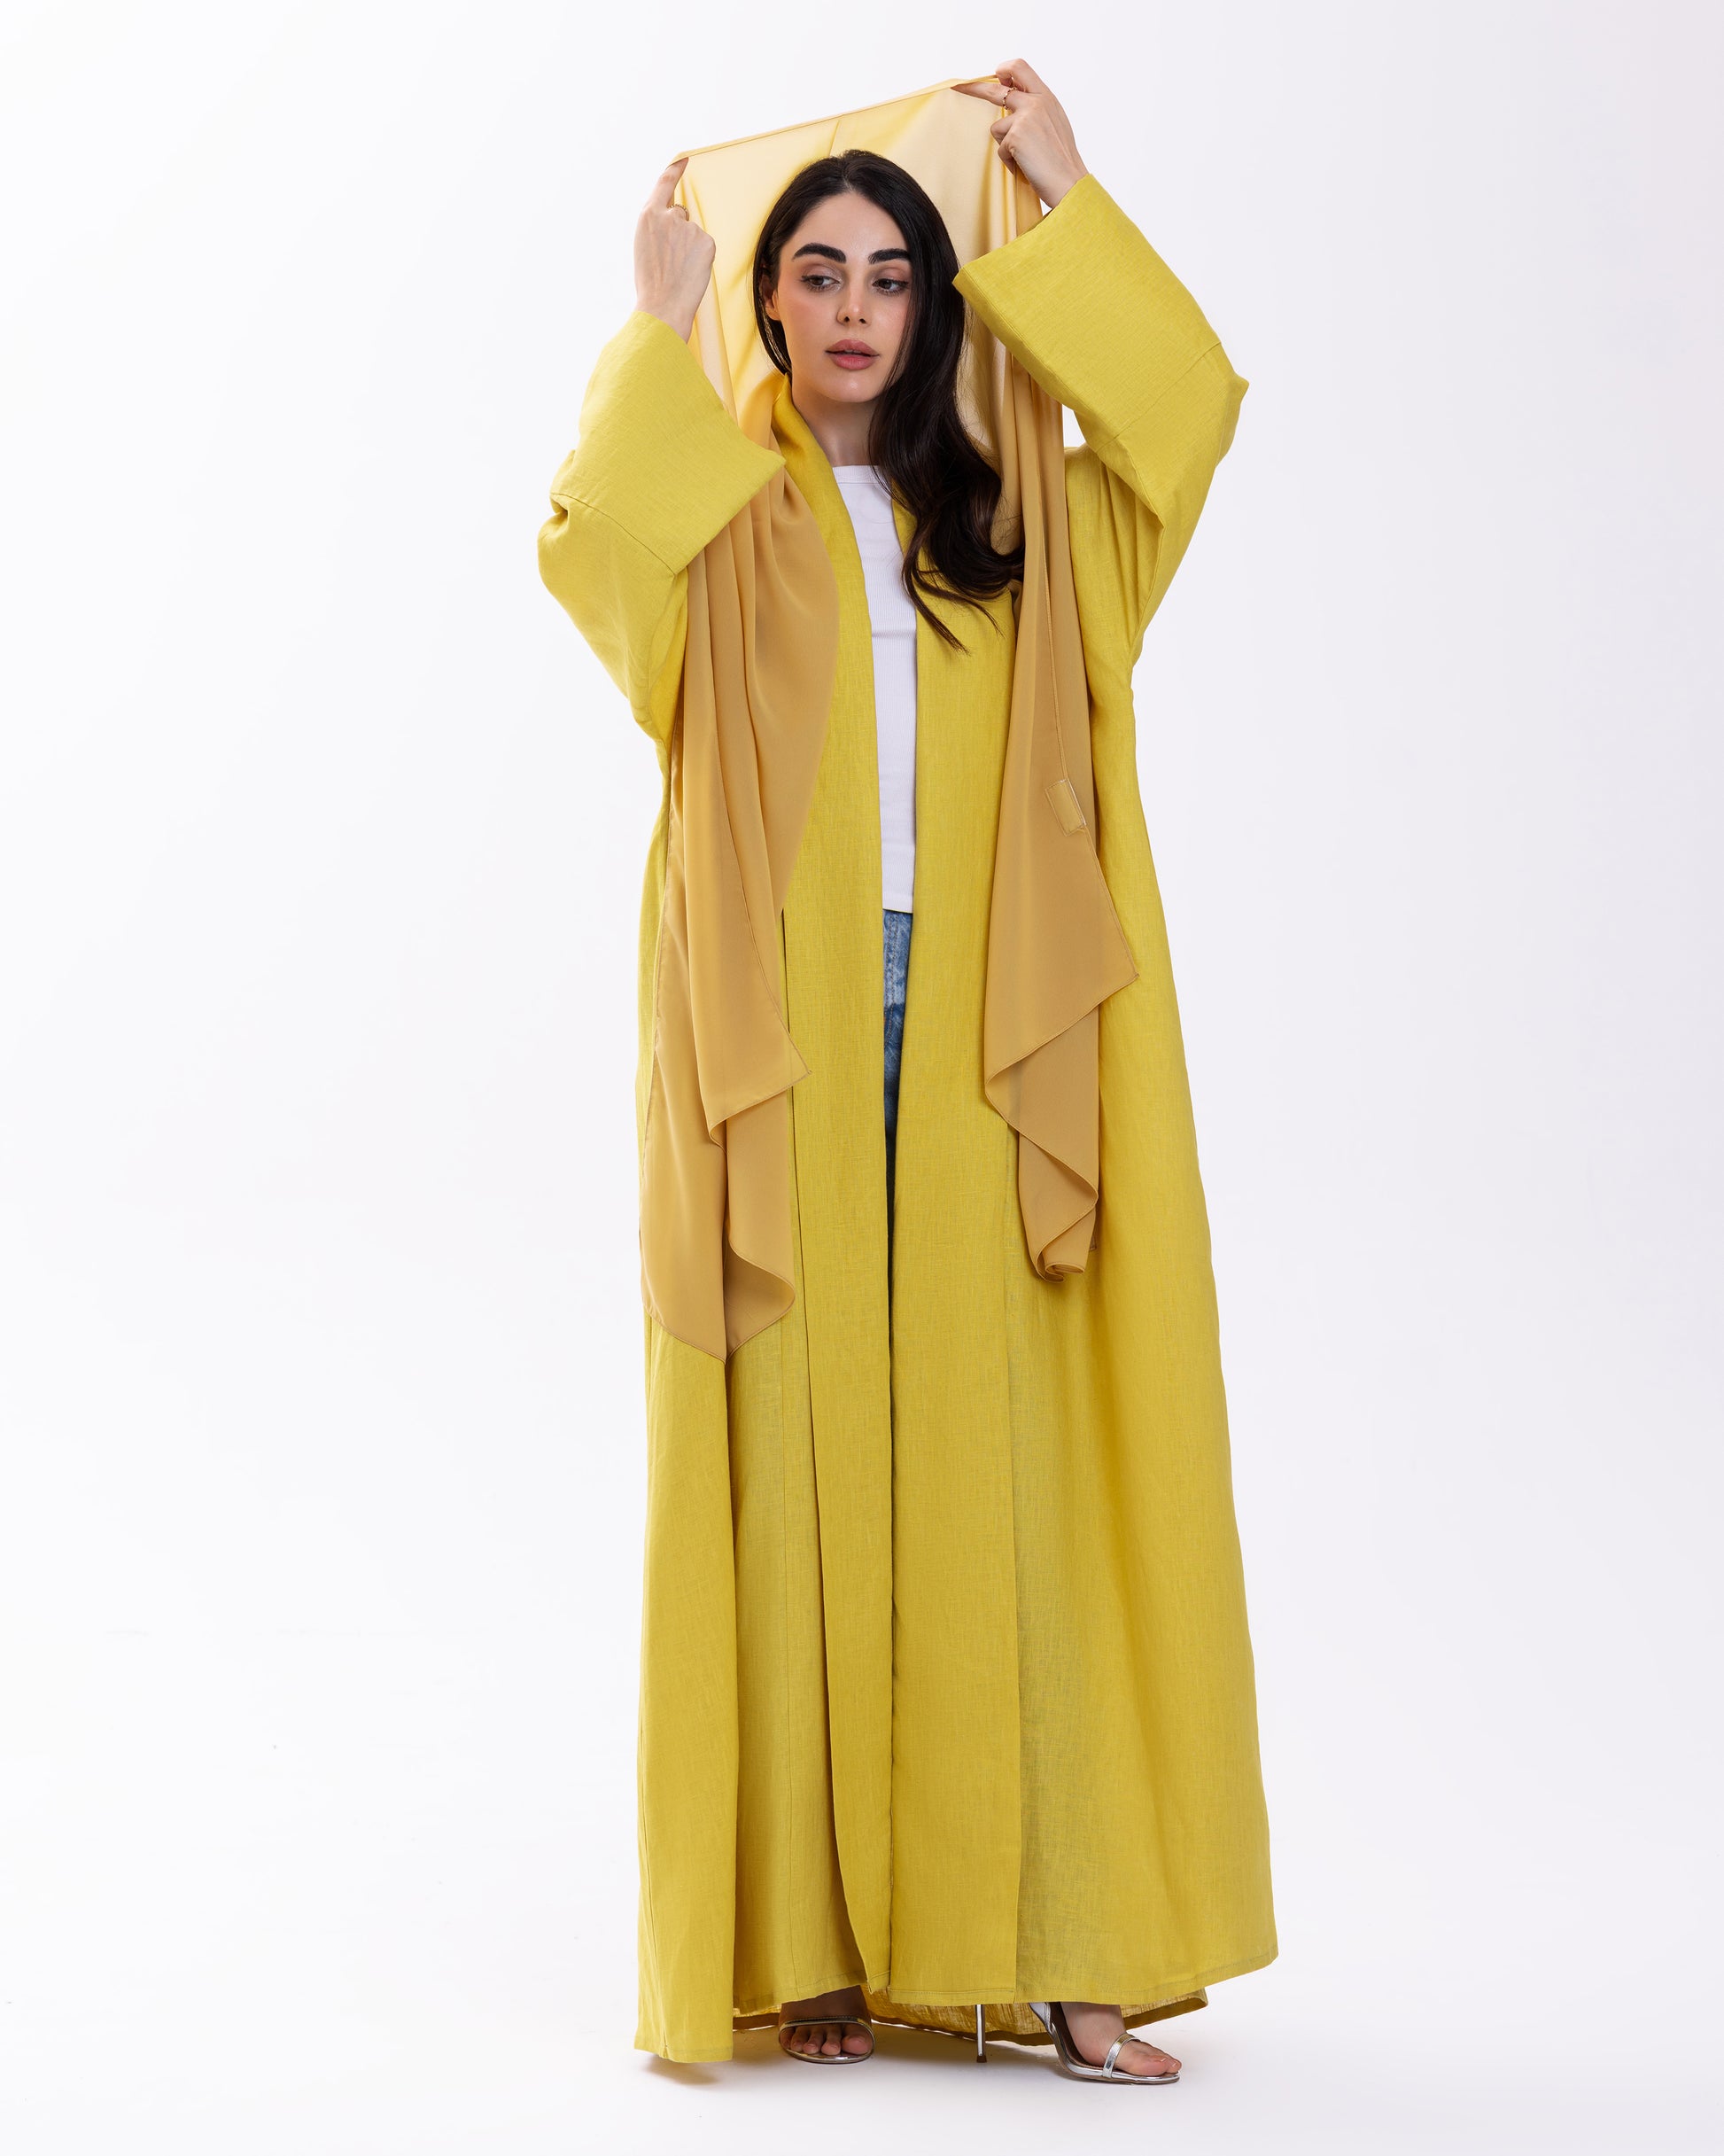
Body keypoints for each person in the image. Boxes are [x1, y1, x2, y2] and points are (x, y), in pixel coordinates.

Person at [537, 60, 1275, 2082]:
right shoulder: (726, 499)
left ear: (936, 299)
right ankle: (813, 1938)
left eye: (892, 270)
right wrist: (644, 314)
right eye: (813, 271)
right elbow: (592, 549)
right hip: (776, 1025)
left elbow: (1183, 418)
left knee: (999, 1467)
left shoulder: (1010, 499)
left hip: (981, 1015)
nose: (856, 303)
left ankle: (1057, 1945)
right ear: (765, 303)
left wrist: (1068, 199)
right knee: (792, 1455)